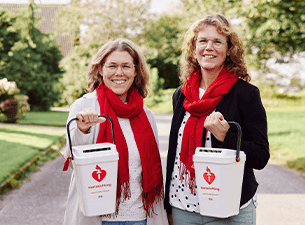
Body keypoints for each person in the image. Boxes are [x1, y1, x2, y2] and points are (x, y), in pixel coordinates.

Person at [163, 14, 270, 225]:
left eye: (217, 41)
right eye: (202, 41)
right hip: (183, 206)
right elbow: (174, 154)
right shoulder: (181, 95)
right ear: (194, 48)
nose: (209, 47)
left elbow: (261, 157)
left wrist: (226, 137)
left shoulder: (245, 94)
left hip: (230, 208)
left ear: (230, 49)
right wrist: (168, 206)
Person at [63, 38, 169, 225]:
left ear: (136, 71)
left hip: (140, 217)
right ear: (101, 69)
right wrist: (82, 129)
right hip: (99, 218)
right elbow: (72, 161)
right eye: (112, 65)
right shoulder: (84, 106)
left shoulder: (145, 114)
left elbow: (153, 168)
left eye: (126, 66)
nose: (119, 73)